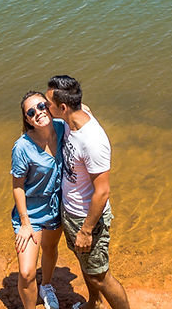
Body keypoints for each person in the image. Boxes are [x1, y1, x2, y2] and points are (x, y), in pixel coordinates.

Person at [45, 75, 130, 309]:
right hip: (71, 212)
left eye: (47, 104)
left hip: (87, 218)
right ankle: (94, 304)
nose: (44, 107)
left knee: (100, 276)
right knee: (86, 266)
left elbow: (102, 192)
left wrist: (86, 230)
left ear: (62, 108)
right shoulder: (77, 114)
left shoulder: (92, 141)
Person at [11, 91, 64, 309]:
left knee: (50, 250)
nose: (38, 113)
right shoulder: (22, 147)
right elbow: (17, 186)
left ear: (49, 106)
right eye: (31, 112)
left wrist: (86, 109)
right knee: (26, 272)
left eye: (42, 106)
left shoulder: (62, 128)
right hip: (31, 213)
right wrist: (25, 222)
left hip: (56, 207)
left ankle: (47, 286)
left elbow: (78, 115)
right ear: (27, 119)